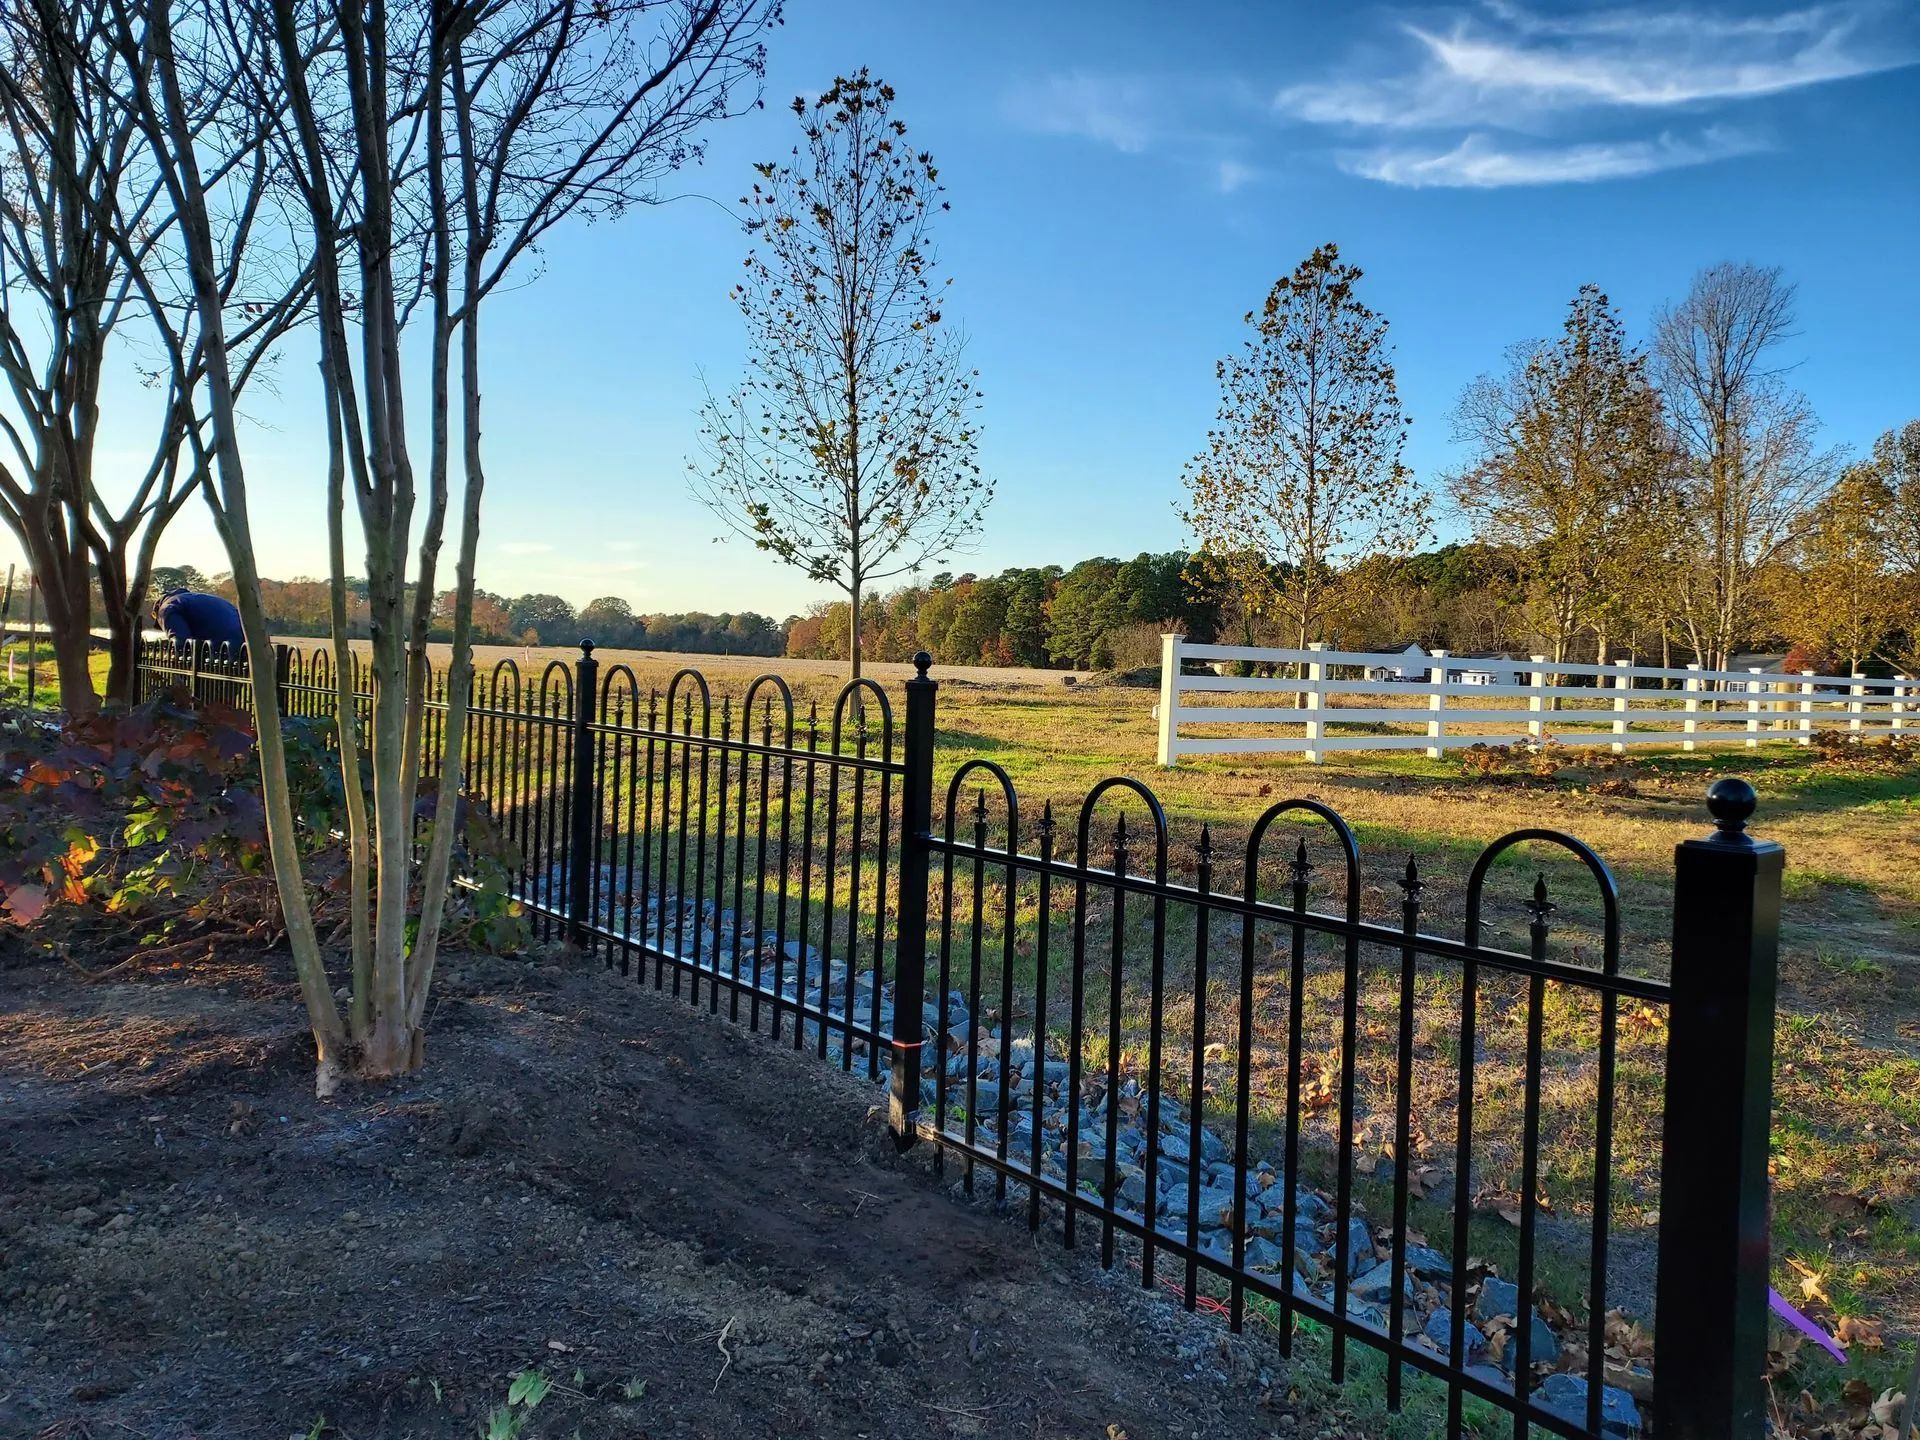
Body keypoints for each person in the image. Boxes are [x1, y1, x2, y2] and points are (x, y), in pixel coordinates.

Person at [154, 587, 247, 659]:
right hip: (243, 639)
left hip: (220, 643)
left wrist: (175, 659)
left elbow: (180, 640)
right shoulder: (195, 599)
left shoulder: (167, 608)